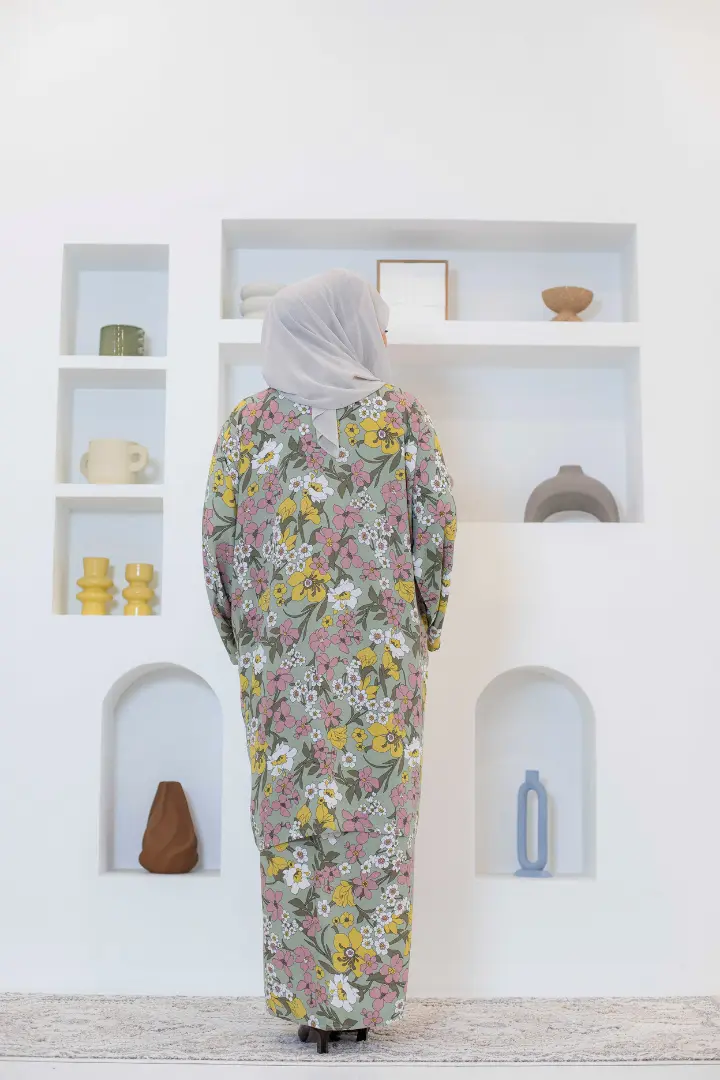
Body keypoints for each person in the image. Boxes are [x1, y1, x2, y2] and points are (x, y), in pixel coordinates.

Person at [203, 268, 455, 1051]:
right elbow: (436, 535)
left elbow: (218, 543)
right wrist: (422, 627)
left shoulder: (247, 425)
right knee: (375, 826)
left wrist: (246, 641)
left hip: (279, 669)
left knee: (293, 829)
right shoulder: (403, 418)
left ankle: (312, 1003)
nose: (383, 338)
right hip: (384, 667)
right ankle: (363, 1004)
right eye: (375, 323)